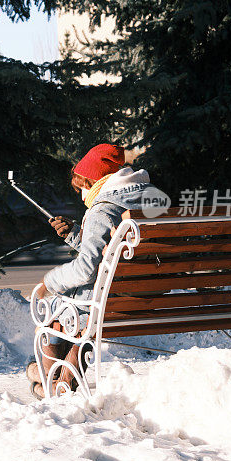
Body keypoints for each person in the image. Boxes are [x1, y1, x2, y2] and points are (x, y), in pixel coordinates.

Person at [27, 143, 156, 399]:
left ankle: (48, 380)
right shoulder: (144, 202)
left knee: (60, 316)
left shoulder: (103, 210)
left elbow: (86, 269)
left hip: (102, 307)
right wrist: (76, 235)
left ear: (95, 181)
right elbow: (110, 252)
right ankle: (51, 379)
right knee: (75, 317)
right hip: (140, 300)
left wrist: (48, 282)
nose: (82, 195)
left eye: (82, 187)